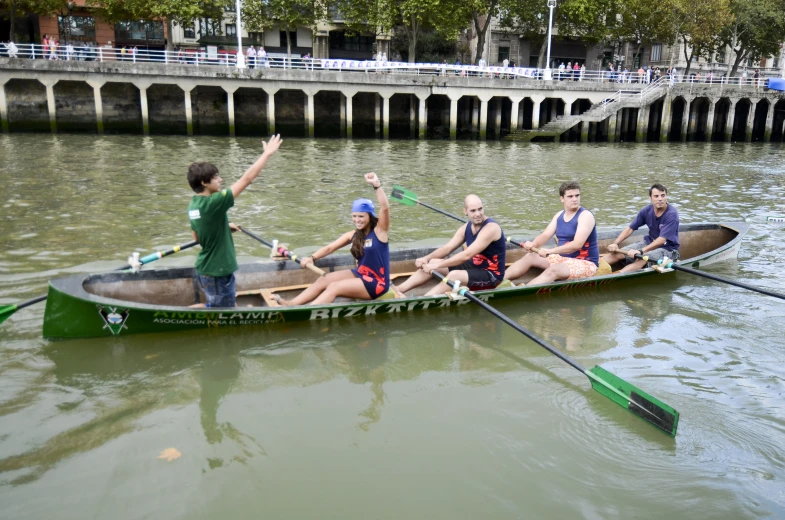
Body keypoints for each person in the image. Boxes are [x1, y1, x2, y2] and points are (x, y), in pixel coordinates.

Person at [187, 134, 283, 308]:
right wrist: (266, 154)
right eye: (216, 177)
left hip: (206, 268)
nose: (221, 180)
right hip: (218, 271)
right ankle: (176, 315)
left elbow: (197, 238)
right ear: (204, 182)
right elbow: (246, 179)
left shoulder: (194, 205)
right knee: (220, 310)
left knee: (219, 306)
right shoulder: (213, 203)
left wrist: (223, 226)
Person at [276, 173, 392, 306]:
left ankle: (307, 309)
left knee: (334, 287)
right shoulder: (353, 235)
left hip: (378, 283)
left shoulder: (380, 231)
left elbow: (385, 207)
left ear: (370, 216)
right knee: (324, 279)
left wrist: (376, 185)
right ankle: (291, 304)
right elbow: (330, 247)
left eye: (361, 216)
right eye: (354, 216)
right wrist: (312, 258)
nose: (357, 220)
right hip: (360, 274)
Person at [393, 195, 506, 297]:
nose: (478, 214)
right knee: (431, 262)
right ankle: (397, 290)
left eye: (480, 209)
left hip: (492, 276)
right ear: (465, 211)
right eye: (473, 211)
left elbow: (466, 255)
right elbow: (447, 248)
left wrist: (437, 266)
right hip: (474, 267)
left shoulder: (491, 228)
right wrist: (426, 259)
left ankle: (422, 300)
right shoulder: (466, 228)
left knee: (454, 275)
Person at [504, 181, 599, 285]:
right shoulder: (559, 215)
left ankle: (521, 291)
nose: (575, 199)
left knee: (553, 270)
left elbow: (577, 244)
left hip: (585, 263)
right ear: (562, 199)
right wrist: (533, 244)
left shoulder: (585, 216)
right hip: (562, 259)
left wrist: (551, 251)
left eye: (577, 195)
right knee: (530, 256)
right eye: (570, 196)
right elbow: (545, 235)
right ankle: (499, 282)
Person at [602, 183, 679, 272]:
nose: (660, 199)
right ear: (650, 198)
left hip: (668, 249)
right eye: (656, 196)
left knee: (641, 259)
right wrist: (616, 243)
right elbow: (630, 228)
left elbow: (662, 240)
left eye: (663, 195)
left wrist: (641, 251)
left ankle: (615, 276)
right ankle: (592, 268)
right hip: (649, 242)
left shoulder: (672, 214)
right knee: (617, 253)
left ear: (666, 197)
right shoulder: (646, 211)